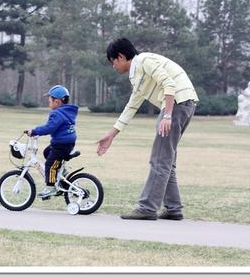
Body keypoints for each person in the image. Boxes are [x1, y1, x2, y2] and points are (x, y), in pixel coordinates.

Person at [97, 38, 199, 220]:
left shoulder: (144, 61)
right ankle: (173, 208)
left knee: (159, 159)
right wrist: (111, 135)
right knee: (167, 160)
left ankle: (147, 208)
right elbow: (131, 107)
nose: (113, 66)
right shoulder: (137, 75)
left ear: (120, 57)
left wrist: (167, 114)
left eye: (113, 61)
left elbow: (169, 83)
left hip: (176, 105)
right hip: (184, 104)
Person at [27, 85, 78, 198]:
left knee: (50, 165)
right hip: (67, 143)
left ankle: (50, 187)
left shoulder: (57, 114)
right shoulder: (67, 112)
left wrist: (34, 131)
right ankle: (62, 171)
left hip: (61, 145)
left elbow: (49, 128)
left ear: (57, 101)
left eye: (50, 100)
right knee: (47, 152)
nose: (48, 102)